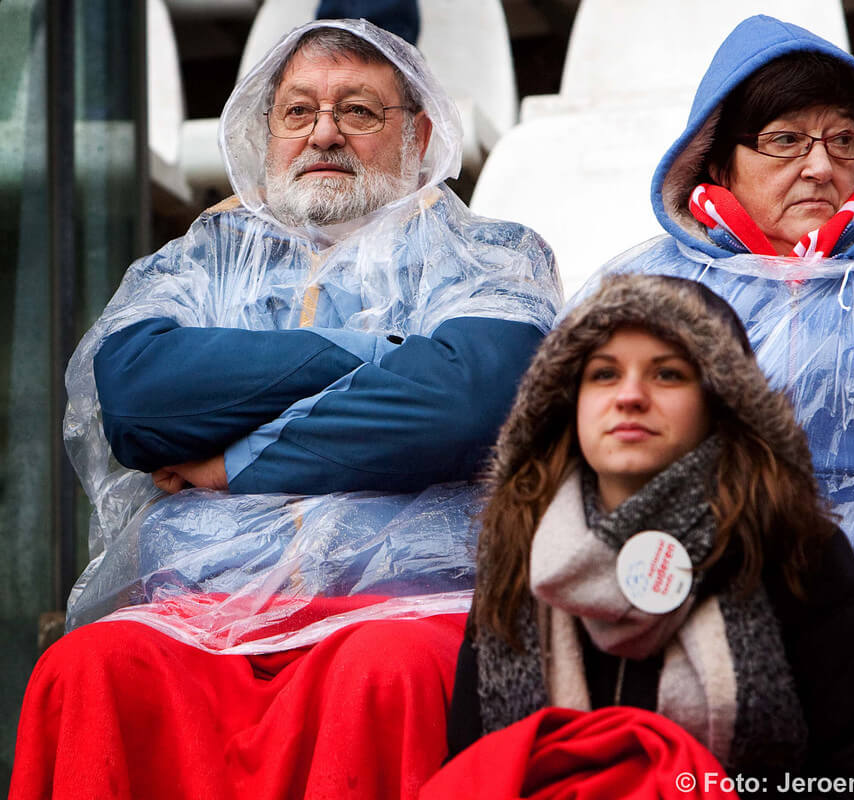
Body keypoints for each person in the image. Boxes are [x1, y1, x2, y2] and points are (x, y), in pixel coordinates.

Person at [10, 19, 560, 800]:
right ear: (266, 133)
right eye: (298, 111)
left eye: (360, 112)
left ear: (421, 133)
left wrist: (228, 461)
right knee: (86, 669)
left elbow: (462, 403)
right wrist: (385, 352)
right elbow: (135, 399)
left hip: (405, 605)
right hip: (203, 604)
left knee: (385, 674)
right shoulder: (200, 257)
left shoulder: (494, 252)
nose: (324, 132)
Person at [569, 15, 854, 769]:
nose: (822, 167)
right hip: (701, 627)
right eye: (786, 140)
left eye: (843, 140)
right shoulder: (646, 294)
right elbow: (578, 480)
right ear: (716, 162)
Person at [429, 273, 854, 798]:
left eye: (667, 374)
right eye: (602, 374)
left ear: (720, 399)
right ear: (564, 402)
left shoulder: (793, 546)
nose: (629, 396)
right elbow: (475, 764)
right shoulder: (518, 549)